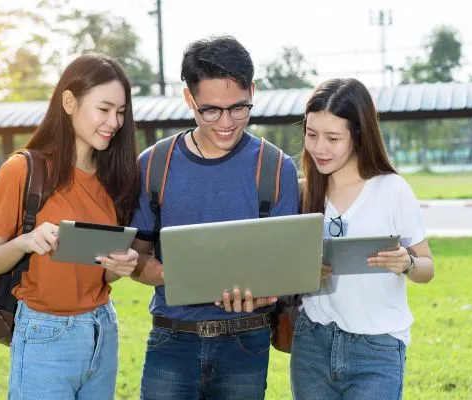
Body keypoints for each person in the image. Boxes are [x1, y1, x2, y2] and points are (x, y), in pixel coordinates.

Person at [130, 35, 299, 400]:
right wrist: (179, 276)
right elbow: (136, 260)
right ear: (189, 98)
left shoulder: (275, 168)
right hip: (171, 340)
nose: (226, 122)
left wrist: (262, 296)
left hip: (246, 344)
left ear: (252, 90)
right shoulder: (153, 165)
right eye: (211, 110)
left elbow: (285, 270)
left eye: (239, 108)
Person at [0, 53, 140, 400]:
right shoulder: (23, 170)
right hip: (44, 333)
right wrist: (25, 242)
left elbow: (102, 274)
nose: (114, 122)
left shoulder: (116, 178)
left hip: (102, 329)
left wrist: (119, 266)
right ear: (69, 101)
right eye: (104, 109)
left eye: (121, 112)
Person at [290, 77, 435, 400]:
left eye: (332, 138)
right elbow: (281, 268)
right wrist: (303, 273)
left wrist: (407, 262)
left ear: (358, 135)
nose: (319, 148)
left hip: (377, 348)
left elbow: (427, 268)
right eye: (311, 134)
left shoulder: (392, 190)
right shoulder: (301, 191)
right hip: (312, 343)